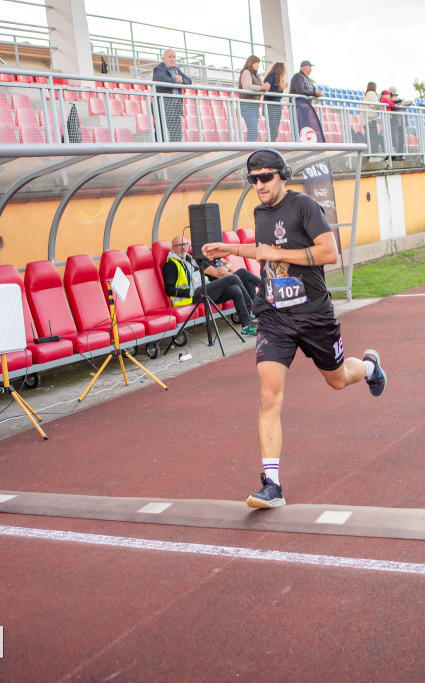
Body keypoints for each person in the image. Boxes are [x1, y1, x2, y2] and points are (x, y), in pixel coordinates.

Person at [201, 150, 386, 508]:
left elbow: (329, 253)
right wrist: (231, 248)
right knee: (268, 395)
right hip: (274, 314)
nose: (259, 185)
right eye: (253, 179)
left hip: (314, 313)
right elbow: (264, 250)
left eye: (265, 178)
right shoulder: (259, 211)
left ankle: (369, 367)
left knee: (337, 379)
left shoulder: (304, 206)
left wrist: (278, 255)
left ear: (282, 175)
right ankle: (272, 484)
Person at [163, 236, 256, 336]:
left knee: (235, 289)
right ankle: (252, 310)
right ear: (172, 248)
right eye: (179, 245)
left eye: (184, 244)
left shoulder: (189, 259)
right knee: (233, 278)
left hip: (205, 289)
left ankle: (246, 326)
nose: (182, 248)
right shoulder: (171, 264)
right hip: (193, 295)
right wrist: (190, 291)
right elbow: (169, 289)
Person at [152, 49, 192, 142]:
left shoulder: (176, 70)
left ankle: (172, 154)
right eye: (170, 57)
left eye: (174, 57)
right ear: (163, 58)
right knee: (160, 133)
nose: (172, 59)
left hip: (174, 107)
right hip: (162, 106)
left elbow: (189, 81)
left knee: (177, 134)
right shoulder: (158, 69)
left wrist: (181, 81)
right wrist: (175, 80)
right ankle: (159, 153)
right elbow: (162, 79)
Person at [238, 55, 270, 142]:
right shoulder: (246, 72)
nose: (258, 66)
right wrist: (261, 88)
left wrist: (265, 88)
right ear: (251, 63)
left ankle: (247, 150)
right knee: (254, 132)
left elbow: (259, 87)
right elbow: (247, 86)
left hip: (254, 106)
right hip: (247, 106)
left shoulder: (257, 75)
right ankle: (246, 150)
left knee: (254, 132)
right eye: (257, 63)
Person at [263, 62, 287, 143]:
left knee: (274, 132)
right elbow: (269, 93)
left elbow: (278, 96)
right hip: (271, 108)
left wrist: (281, 89)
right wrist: (280, 89)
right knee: (272, 131)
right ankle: (268, 147)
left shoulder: (276, 79)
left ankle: (270, 147)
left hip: (276, 108)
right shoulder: (271, 78)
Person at [360, 81, 383, 153]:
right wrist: (382, 108)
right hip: (370, 120)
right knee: (373, 138)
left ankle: (370, 154)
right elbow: (376, 104)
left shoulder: (366, 95)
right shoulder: (371, 94)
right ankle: (374, 154)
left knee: (369, 138)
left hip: (365, 120)